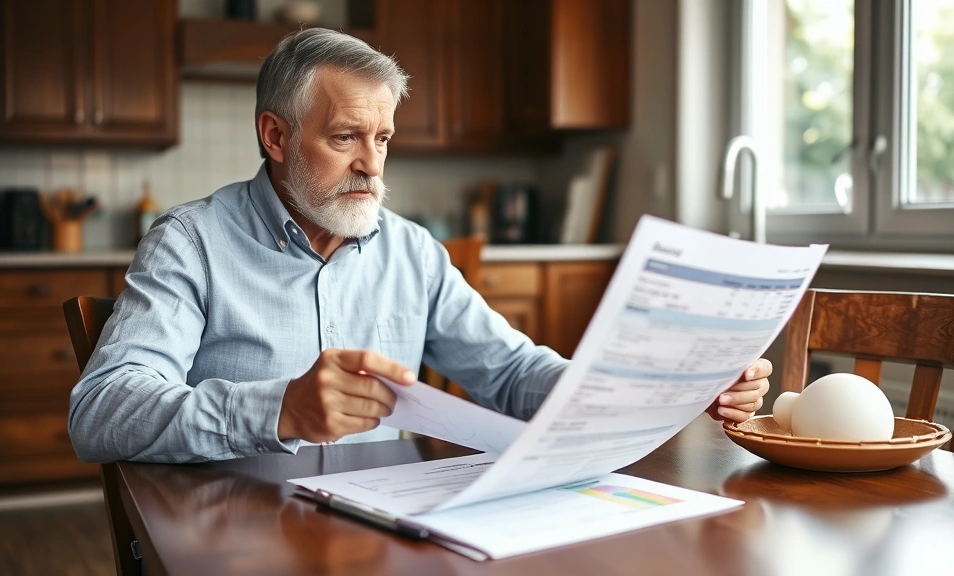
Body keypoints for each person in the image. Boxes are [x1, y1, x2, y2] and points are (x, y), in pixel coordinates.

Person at [68, 29, 770, 464]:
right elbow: (101, 411)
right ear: (276, 137)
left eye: (382, 139)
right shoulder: (190, 243)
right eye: (346, 137)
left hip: (383, 532)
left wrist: (663, 390)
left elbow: (515, 373)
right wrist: (278, 409)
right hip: (236, 531)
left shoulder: (412, 252)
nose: (372, 164)